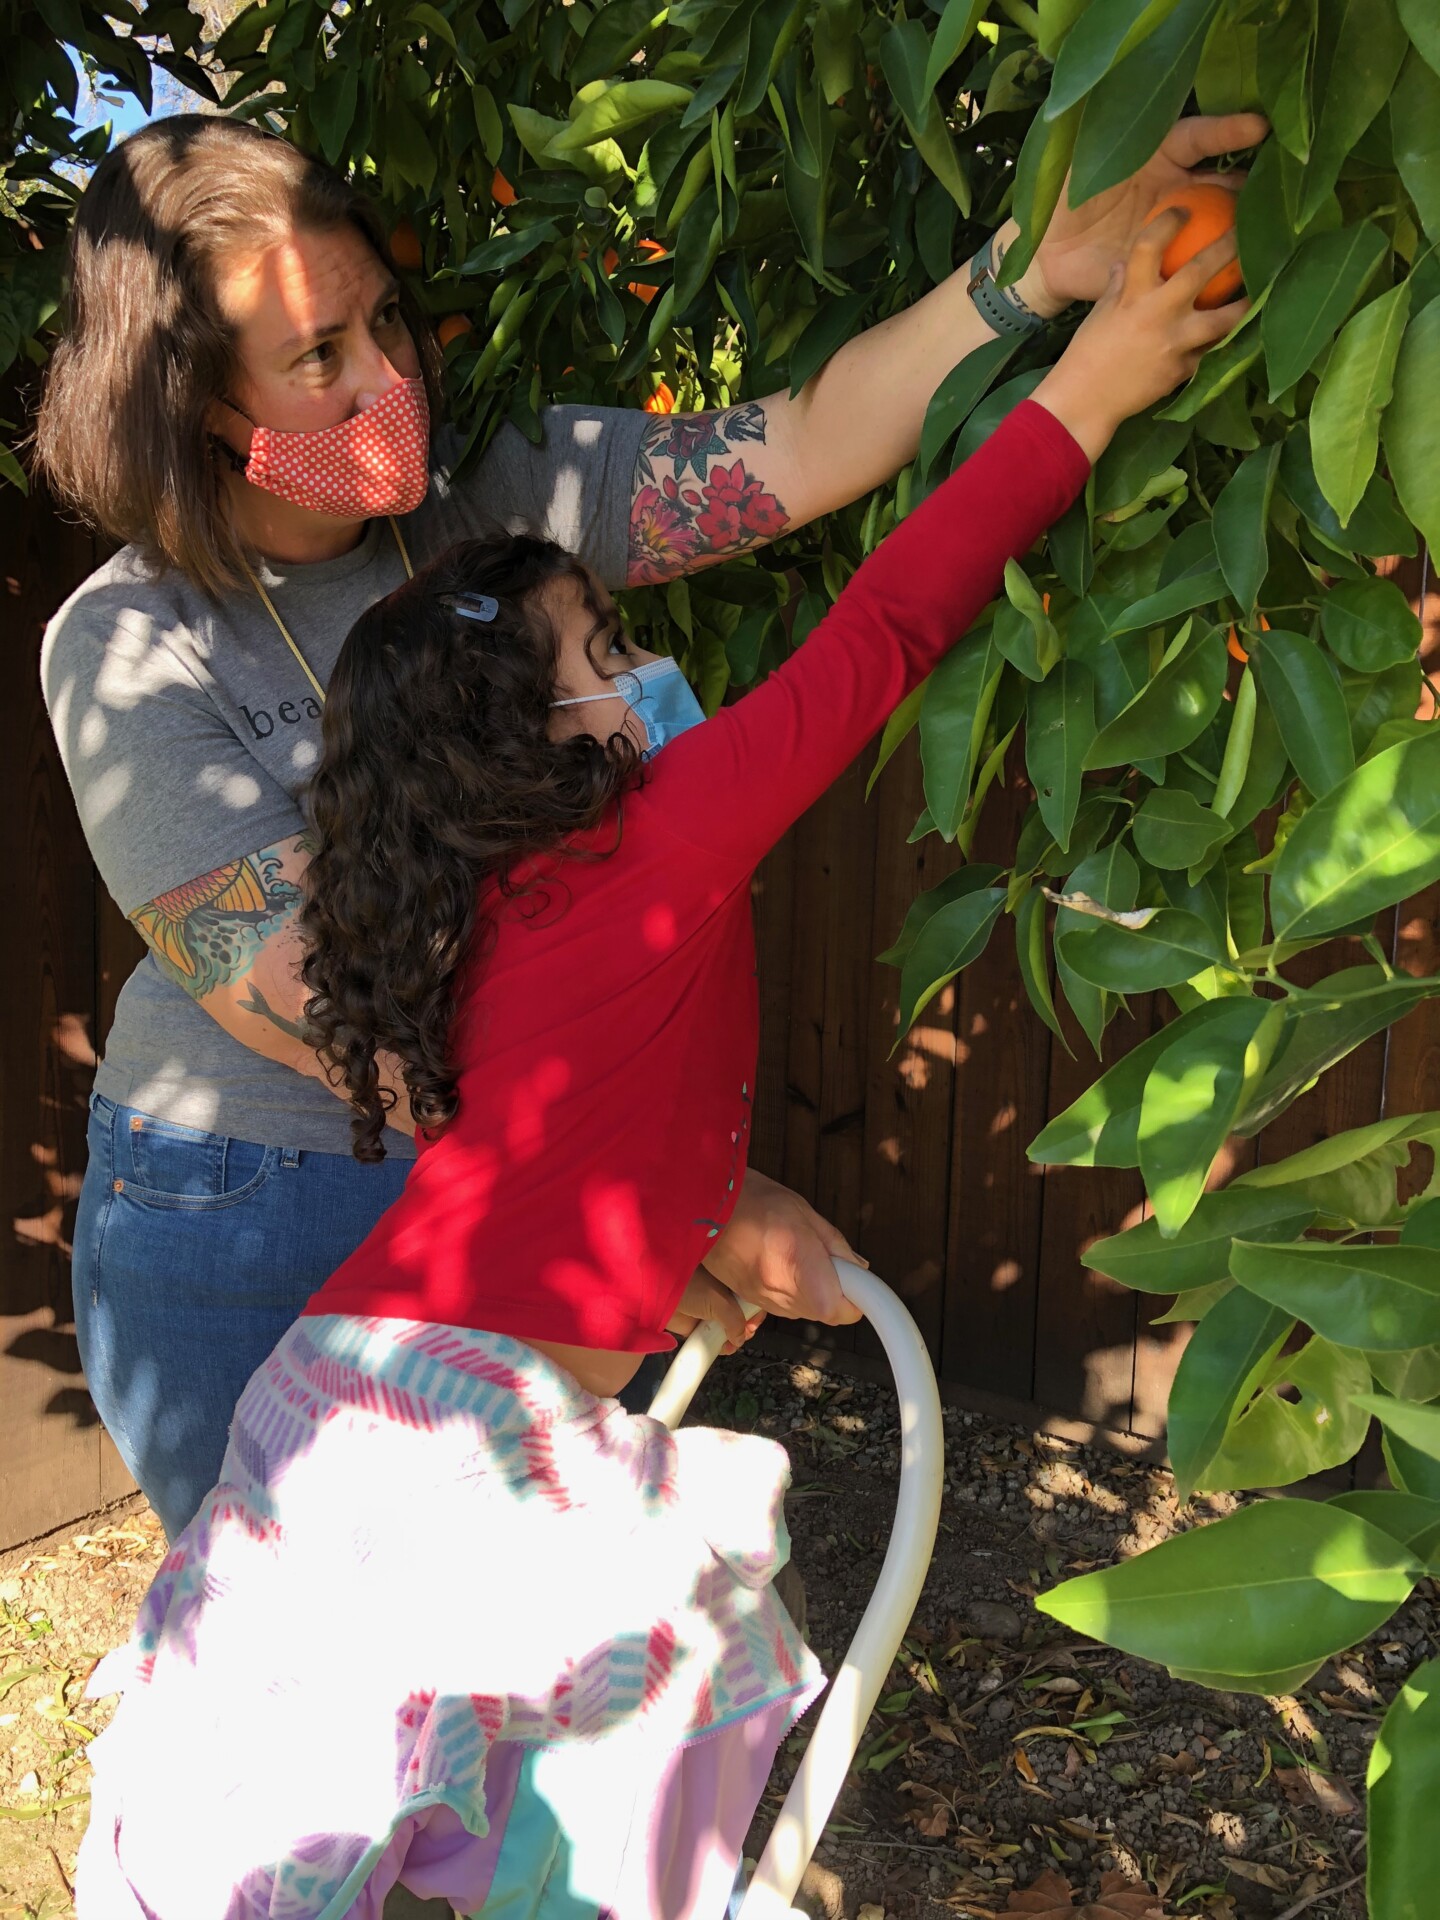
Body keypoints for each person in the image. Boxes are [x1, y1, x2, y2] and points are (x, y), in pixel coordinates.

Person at [74, 206, 1246, 1920]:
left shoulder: (481, 898)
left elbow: (560, 1129)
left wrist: (692, 1210)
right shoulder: (656, 835)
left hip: (352, 1394)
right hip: (450, 1414)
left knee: (304, 1805)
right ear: (530, 738)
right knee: (644, 1743)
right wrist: (1095, 389)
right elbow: (888, 628)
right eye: (611, 658)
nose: (654, 676)